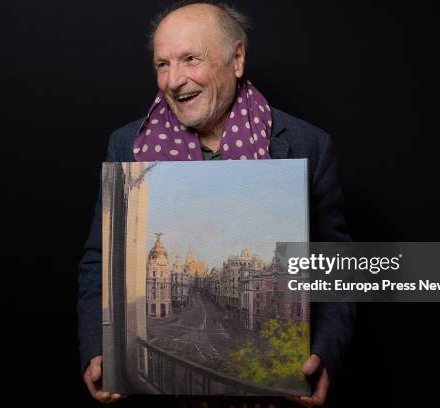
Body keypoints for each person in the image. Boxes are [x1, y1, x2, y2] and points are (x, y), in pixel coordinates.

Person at [77, 2, 355, 406]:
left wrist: (327, 352)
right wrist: (96, 350)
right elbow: (98, 258)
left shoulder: (309, 144)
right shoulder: (126, 145)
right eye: (162, 64)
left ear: (236, 59)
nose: (173, 81)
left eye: (191, 59)